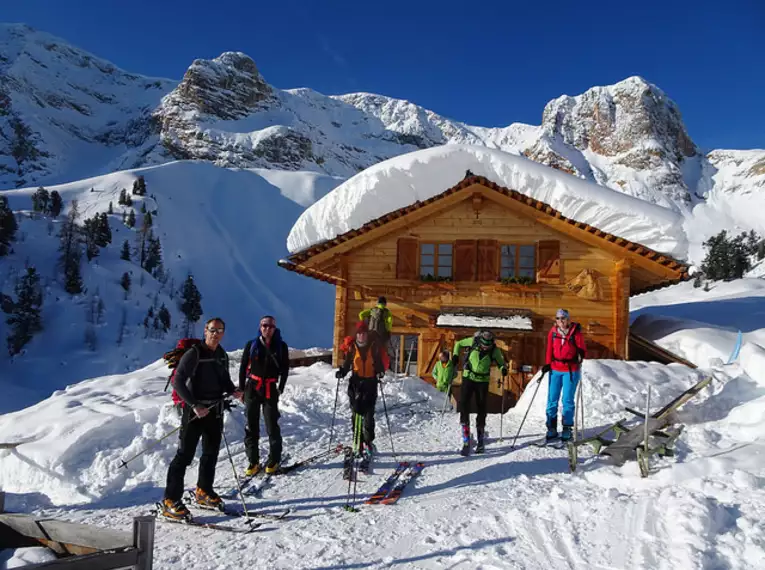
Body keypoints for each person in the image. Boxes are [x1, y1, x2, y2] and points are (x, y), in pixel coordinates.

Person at [161, 318, 243, 520]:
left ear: (223, 333)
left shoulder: (221, 354)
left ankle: (203, 490)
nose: (215, 334)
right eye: (212, 330)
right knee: (184, 456)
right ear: (205, 331)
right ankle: (170, 500)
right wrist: (194, 405)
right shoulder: (194, 353)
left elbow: (223, 379)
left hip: (214, 410)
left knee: (211, 453)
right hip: (195, 412)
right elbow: (178, 381)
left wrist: (233, 391)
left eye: (220, 330)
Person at [239, 315, 290, 476]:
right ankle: (253, 461)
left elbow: (285, 369)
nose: (267, 329)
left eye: (271, 326)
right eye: (264, 325)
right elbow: (242, 367)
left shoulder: (281, 346)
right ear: (260, 327)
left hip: (270, 388)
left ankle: (273, 459)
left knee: (272, 425)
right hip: (252, 388)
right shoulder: (251, 345)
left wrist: (280, 387)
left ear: (275, 329)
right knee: (251, 425)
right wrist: (241, 389)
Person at [452, 330, 506, 455]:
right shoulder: (472, 342)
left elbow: (501, 363)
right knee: (464, 404)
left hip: (483, 380)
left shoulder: (494, 350)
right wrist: (455, 355)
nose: (485, 347)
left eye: (488, 345)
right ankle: (466, 438)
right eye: (483, 345)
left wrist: (503, 369)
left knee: (482, 407)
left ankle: (480, 439)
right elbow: (458, 344)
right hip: (468, 377)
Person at [336, 321, 384, 457]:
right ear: (356, 335)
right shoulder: (352, 348)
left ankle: (368, 441)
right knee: (356, 414)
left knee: (368, 415)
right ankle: (358, 440)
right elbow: (347, 364)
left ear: (366, 334)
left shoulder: (373, 347)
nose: (362, 336)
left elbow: (378, 362)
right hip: (356, 384)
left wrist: (380, 371)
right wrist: (342, 372)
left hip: (370, 383)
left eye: (363, 333)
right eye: (359, 334)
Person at [542, 309, 586, 442]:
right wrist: (548, 364)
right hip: (555, 369)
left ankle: (567, 428)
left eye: (563, 318)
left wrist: (580, 355)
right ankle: (551, 427)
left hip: (570, 370)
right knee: (552, 400)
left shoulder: (576, 333)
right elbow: (549, 348)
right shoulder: (553, 332)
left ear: (568, 319)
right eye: (558, 318)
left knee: (567, 400)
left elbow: (583, 350)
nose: (560, 321)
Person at [359, 296, 393, 369]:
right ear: (385, 304)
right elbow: (390, 322)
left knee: (369, 349)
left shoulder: (372, 310)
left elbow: (361, 314)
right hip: (381, 335)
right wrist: (388, 329)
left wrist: (364, 323)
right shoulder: (387, 312)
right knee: (382, 350)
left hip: (371, 333)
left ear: (378, 303)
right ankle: (381, 366)